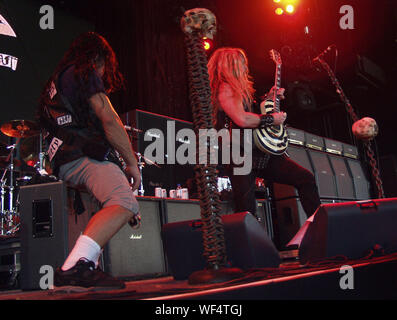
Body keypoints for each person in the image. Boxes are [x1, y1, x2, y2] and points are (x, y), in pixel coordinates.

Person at [37, 32, 141, 289]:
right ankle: (75, 267)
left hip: (64, 160)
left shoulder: (57, 82)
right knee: (124, 202)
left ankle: (86, 268)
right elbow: (109, 119)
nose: (104, 76)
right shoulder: (83, 72)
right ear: (98, 58)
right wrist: (132, 163)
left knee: (107, 209)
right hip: (81, 155)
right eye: (106, 67)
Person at [207, 47, 321, 223]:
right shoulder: (225, 88)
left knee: (305, 179)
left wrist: (269, 97)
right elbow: (242, 119)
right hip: (241, 156)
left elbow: (251, 114)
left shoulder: (239, 90)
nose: (245, 67)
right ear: (232, 65)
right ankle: (248, 248)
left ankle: (318, 227)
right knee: (246, 211)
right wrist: (272, 119)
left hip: (261, 152)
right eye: (242, 63)